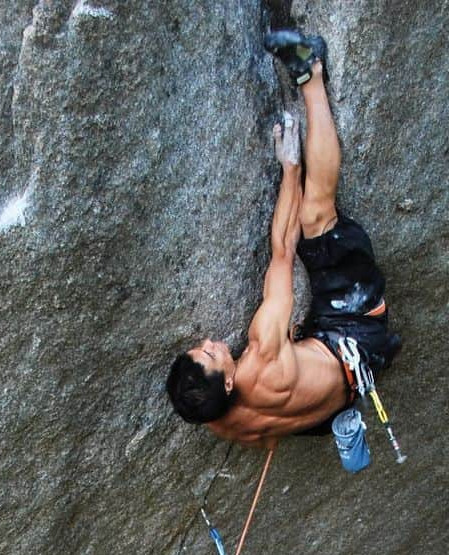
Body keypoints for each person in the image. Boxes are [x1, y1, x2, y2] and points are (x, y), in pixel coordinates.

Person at [166, 30, 401, 449]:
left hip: (336, 391)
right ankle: (311, 72)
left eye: (200, 349)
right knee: (315, 216)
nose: (212, 343)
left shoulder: (223, 423)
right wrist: (290, 170)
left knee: (302, 370)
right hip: (356, 330)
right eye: (213, 355)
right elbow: (282, 252)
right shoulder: (262, 357)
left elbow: (268, 442)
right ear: (230, 381)